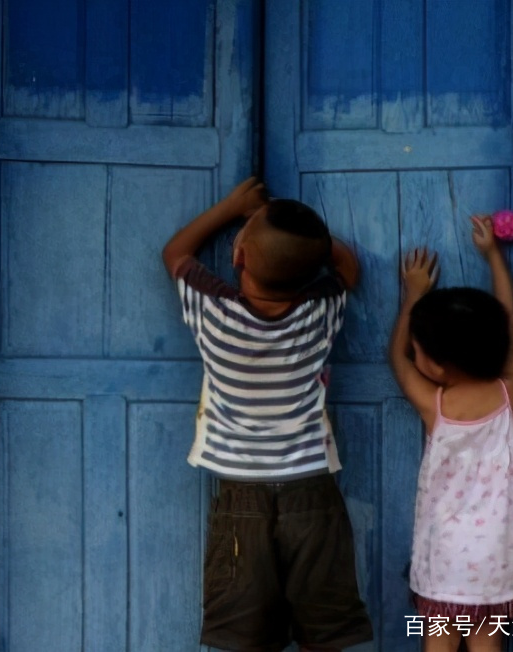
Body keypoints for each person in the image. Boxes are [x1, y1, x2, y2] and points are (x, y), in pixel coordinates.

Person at [162, 177, 373, 652]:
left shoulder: (214, 310)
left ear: (237, 258)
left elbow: (176, 254)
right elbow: (347, 266)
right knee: (328, 627)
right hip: (313, 492)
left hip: (242, 499)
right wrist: (292, 229)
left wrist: (235, 208)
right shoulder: (321, 310)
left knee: (243, 631)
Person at [388, 216, 513, 652]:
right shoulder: (509, 394)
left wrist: (413, 296)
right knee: (487, 645)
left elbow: (397, 360)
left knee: (437, 644)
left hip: (445, 564)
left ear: (436, 367)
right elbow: (512, 331)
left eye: (420, 348)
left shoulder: (434, 405)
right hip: (497, 560)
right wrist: (495, 257)